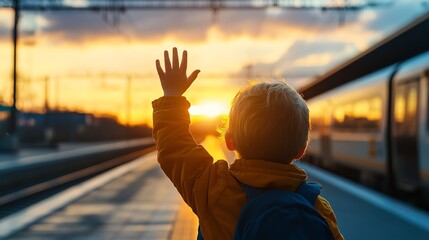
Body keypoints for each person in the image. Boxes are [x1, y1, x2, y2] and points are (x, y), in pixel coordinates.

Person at [152, 48, 344, 240]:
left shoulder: (215, 189)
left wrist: (172, 96)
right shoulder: (317, 207)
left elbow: (175, 147)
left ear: (229, 141)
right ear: (301, 150)